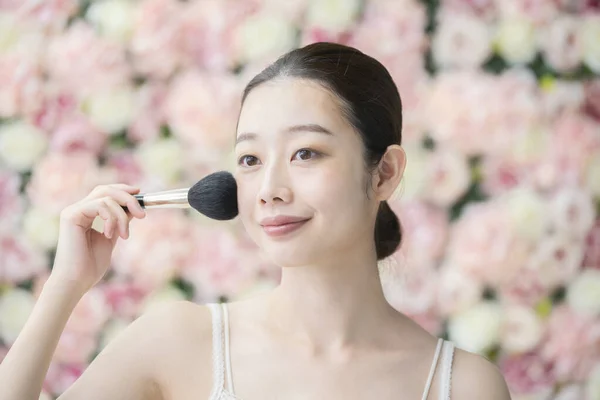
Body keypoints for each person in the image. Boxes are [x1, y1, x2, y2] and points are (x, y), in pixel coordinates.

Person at [0, 42, 512, 400]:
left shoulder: (462, 386)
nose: (269, 190)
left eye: (306, 153)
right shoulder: (180, 341)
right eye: (249, 160)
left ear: (384, 173)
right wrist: (65, 286)